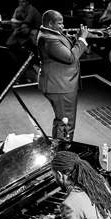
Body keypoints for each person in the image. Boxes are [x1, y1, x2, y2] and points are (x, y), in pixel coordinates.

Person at [37, 11, 87, 141]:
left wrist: (77, 40)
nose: (62, 26)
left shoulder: (51, 34)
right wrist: (81, 39)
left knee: (63, 121)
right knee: (66, 123)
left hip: (60, 84)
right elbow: (71, 57)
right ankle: (63, 155)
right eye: (59, 23)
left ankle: (59, 151)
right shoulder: (49, 39)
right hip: (60, 86)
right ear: (50, 23)